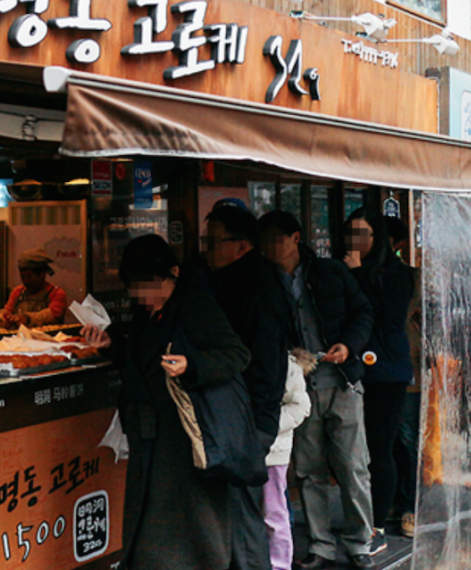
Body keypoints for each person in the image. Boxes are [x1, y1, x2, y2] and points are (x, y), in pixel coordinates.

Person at [84, 234, 251, 570]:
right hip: (149, 433)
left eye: (150, 284)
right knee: (150, 521)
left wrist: (193, 365)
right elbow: (139, 359)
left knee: (193, 520)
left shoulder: (195, 304)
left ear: (173, 272)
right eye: (135, 286)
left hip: (185, 436)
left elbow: (237, 355)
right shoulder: (147, 312)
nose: (143, 294)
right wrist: (111, 344)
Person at [258, 210, 375, 570]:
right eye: (264, 241)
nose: (269, 247)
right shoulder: (264, 282)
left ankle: (359, 542)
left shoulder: (329, 271)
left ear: (295, 237)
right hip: (299, 389)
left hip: (342, 381)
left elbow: (364, 312)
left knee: (353, 467)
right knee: (308, 471)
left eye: (275, 239)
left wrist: (348, 345)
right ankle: (321, 545)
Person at [203, 201, 293, 570]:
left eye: (213, 242)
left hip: (248, 418)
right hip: (250, 416)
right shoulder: (251, 279)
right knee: (239, 512)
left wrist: (252, 424)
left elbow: (260, 365)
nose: (206, 249)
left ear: (241, 245)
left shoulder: (251, 289)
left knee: (242, 515)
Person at [341, 209, 415, 554]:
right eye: (350, 234)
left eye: (363, 234)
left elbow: (384, 316)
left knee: (380, 447)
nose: (355, 242)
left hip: (387, 371)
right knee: (356, 450)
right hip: (352, 368)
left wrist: (356, 275)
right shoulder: (343, 269)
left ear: (378, 238)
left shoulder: (399, 274)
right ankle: (359, 517)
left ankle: (377, 524)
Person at [385, 216, 421, 540]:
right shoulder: (360, 276)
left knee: (407, 440)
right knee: (386, 441)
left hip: (408, 371)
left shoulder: (412, 279)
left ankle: (410, 505)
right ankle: (394, 501)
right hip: (374, 372)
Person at [265, 349, 313, 570]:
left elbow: (300, 406)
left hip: (274, 450)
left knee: (274, 511)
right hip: (247, 447)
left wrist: (265, 428)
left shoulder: (287, 364)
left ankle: (280, 565)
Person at [0, 249, 68, 329]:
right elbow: (7, 312)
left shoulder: (57, 293)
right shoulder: (18, 292)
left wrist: (27, 318)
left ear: (42, 274)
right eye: (22, 277)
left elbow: (50, 316)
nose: (26, 281)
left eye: (29, 277)